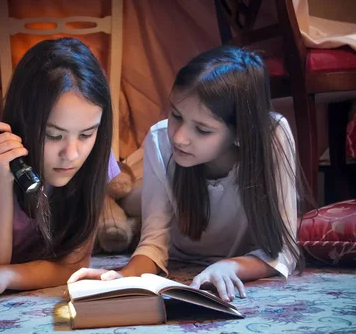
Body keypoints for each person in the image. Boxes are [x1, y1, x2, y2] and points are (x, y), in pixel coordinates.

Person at [68, 46, 305, 303]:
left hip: (231, 255)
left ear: (240, 133)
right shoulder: (160, 140)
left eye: (202, 130)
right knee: (128, 198)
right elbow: (154, 243)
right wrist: (123, 276)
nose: (179, 137)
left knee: (130, 201)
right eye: (176, 116)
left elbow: (283, 251)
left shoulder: (272, 137)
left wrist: (231, 266)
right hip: (177, 247)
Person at [0, 37, 120, 306]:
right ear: (26, 120)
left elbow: (75, 263)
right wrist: (3, 178)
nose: (72, 154)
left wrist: (7, 276)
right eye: (53, 135)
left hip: (25, 239)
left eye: (86, 134)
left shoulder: (96, 153)